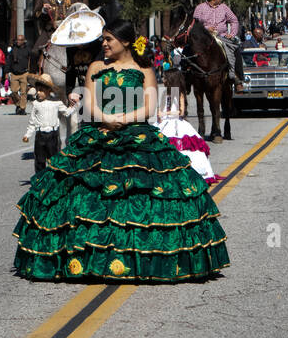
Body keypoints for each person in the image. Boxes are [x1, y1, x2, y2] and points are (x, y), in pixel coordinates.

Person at [12, 19, 230, 282]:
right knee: (80, 189)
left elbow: (149, 106)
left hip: (136, 133)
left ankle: (235, 74)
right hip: (99, 131)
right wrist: (105, 119)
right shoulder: (95, 67)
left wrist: (123, 120)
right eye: (102, 39)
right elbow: (89, 104)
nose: (103, 44)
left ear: (125, 42)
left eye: (108, 40)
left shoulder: (144, 68)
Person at [154, 65, 220, 185]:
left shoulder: (179, 94)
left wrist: (166, 113)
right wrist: (159, 114)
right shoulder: (164, 94)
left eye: (165, 78)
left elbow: (181, 112)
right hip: (164, 122)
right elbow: (161, 108)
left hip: (176, 122)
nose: (163, 80)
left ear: (171, 80)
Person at [192, 0, 246, 92]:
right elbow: (195, 24)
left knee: (236, 51)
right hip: (204, 39)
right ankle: (187, 77)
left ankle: (238, 79)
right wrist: (207, 28)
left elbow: (234, 20)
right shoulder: (200, 8)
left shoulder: (224, 8)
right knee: (188, 51)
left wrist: (232, 33)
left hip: (221, 36)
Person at [22, 73, 77, 173]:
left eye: (41, 90)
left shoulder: (57, 102)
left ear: (49, 91)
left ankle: (54, 179)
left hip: (52, 135)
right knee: (39, 160)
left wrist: (72, 106)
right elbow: (32, 121)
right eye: (37, 90)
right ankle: (39, 180)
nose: (38, 93)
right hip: (40, 135)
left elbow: (66, 113)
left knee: (53, 159)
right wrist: (27, 134)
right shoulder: (36, 104)